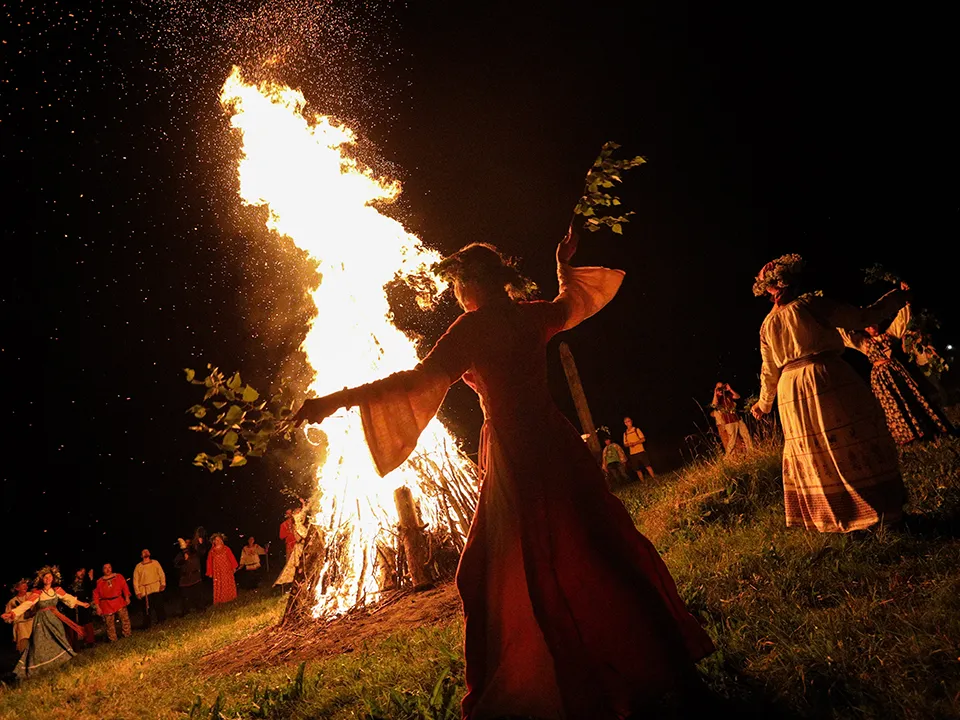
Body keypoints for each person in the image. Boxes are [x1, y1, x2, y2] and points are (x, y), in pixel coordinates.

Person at [294, 227, 714, 719]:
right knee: (601, 542)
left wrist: (336, 400)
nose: (455, 294)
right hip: (556, 441)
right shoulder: (529, 316)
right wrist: (562, 263)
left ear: (470, 283)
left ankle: (545, 687)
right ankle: (667, 659)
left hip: (517, 452)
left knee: (492, 570)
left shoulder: (471, 329)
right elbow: (568, 303)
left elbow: (415, 380)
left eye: (457, 284)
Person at [750, 254, 909, 533]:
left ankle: (836, 514)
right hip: (824, 378)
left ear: (771, 290)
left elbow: (769, 369)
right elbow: (862, 317)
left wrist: (764, 404)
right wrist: (896, 298)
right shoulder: (811, 305)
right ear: (789, 282)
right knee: (847, 439)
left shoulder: (767, 325)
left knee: (816, 449)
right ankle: (876, 509)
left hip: (790, 389)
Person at [839, 285, 952, 445]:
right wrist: (834, 320)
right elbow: (845, 336)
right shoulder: (864, 343)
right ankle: (905, 435)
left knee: (910, 397)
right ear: (864, 328)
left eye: (874, 323)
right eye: (868, 325)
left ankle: (925, 428)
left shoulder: (889, 335)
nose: (872, 327)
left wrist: (906, 302)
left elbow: (901, 321)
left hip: (896, 372)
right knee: (892, 404)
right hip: (881, 378)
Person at [1, 567, 90, 679]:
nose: (48, 579)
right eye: (45, 577)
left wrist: (82, 604)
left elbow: (68, 598)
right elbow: (27, 604)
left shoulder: (57, 590)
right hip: (41, 621)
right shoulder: (38, 593)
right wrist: (12, 613)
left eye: (50, 577)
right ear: (42, 579)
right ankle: (37, 668)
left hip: (54, 619)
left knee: (59, 638)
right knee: (39, 643)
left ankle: (61, 662)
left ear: (53, 579)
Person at [710, 382, 754, 456]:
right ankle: (728, 456)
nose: (721, 390)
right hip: (729, 421)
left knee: (746, 435)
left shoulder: (728, 394)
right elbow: (714, 405)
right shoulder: (718, 398)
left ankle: (751, 452)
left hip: (737, 419)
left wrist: (730, 389)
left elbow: (737, 396)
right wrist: (715, 393)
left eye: (722, 387)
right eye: (719, 388)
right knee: (732, 440)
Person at [273, 503, 308, 590]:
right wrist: (289, 532)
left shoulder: (297, 521)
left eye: (290, 513)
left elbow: (302, 514)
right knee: (291, 564)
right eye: (287, 513)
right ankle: (291, 582)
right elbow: (281, 536)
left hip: (300, 544)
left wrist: (303, 504)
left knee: (302, 562)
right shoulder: (284, 524)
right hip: (291, 545)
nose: (289, 515)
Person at [93, 563, 132, 641]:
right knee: (109, 624)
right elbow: (95, 595)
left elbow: (125, 587)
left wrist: (127, 597)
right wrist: (98, 607)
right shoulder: (99, 582)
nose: (107, 569)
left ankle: (127, 635)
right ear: (102, 570)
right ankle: (113, 639)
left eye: (109, 567)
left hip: (119, 601)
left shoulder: (118, 577)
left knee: (125, 619)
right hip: (106, 604)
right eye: (105, 568)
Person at [133, 548, 167, 628]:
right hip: (145, 590)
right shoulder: (138, 566)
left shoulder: (155, 563)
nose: (146, 552)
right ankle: (147, 625)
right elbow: (135, 580)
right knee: (147, 609)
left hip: (156, 587)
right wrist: (137, 592)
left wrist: (163, 584)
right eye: (144, 552)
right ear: (141, 555)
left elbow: (161, 574)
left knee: (159, 605)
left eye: (147, 551)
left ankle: (162, 620)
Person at [66, 568, 96, 649]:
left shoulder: (86, 583)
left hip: (84, 605)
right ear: (75, 573)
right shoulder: (70, 584)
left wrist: (91, 579)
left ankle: (89, 642)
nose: (82, 573)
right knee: (73, 624)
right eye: (80, 571)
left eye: (84, 572)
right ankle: (74, 644)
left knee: (87, 622)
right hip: (73, 606)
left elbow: (92, 590)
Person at [206, 533, 238, 605]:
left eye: (218, 539)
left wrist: (234, 567)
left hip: (227, 570)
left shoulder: (226, 548)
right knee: (219, 585)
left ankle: (230, 598)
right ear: (213, 541)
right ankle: (220, 600)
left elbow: (231, 557)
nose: (217, 541)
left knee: (228, 582)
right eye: (215, 540)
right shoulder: (212, 551)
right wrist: (210, 572)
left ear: (221, 540)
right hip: (217, 572)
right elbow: (209, 562)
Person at [174, 539, 205, 615]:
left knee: (197, 595)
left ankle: (200, 608)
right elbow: (176, 564)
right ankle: (186, 611)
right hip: (185, 578)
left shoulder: (194, 552)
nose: (187, 544)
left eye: (188, 542)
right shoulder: (180, 554)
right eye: (186, 542)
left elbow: (202, 552)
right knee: (185, 597)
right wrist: (184, 560)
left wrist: (201, 544)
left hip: (195, 576)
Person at [4, 579, 35, 653]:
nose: (26, 587)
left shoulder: (31, 595)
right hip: (21, 626)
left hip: (32, 622)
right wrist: (12, 617)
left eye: (26, 585)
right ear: (17, 588)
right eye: (22, 585)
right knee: (24, 647)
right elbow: (7, 618)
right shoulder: (12, 601)